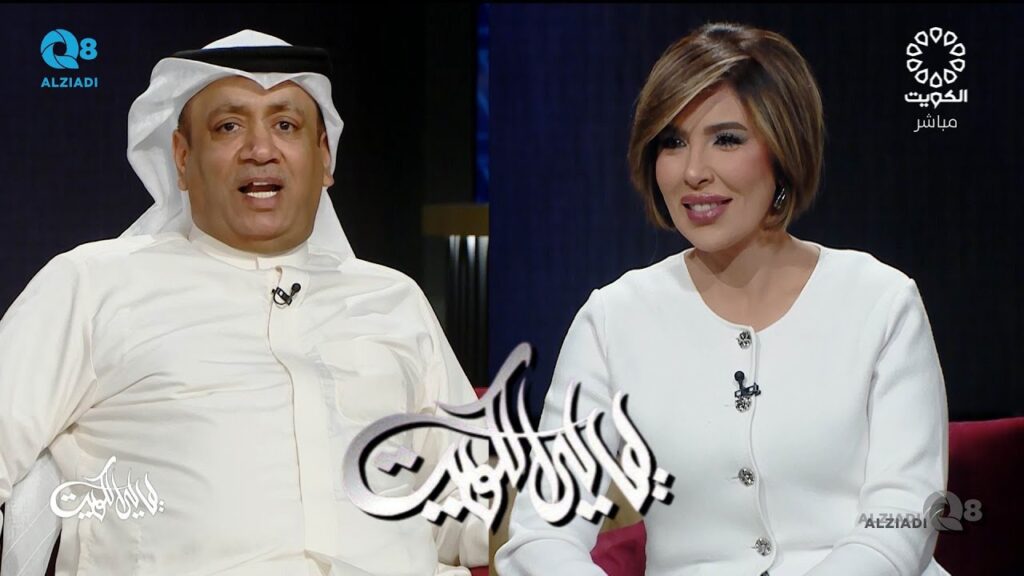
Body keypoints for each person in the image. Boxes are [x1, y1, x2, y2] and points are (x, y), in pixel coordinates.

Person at [0, 30, 485, 576]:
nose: (260, 150)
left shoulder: (394, 299)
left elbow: (468, 505)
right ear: (182, 158)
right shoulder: (93, 285)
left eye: (286, 125)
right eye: (229, 126)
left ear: (325, 157)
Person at [495, 22, 949, 576]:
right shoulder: (614, 319)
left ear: (784, 150)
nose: (693, 172)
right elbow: (540, 535)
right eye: (672, 142)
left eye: (727, 139)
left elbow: (903, 519)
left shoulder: (879, 302)